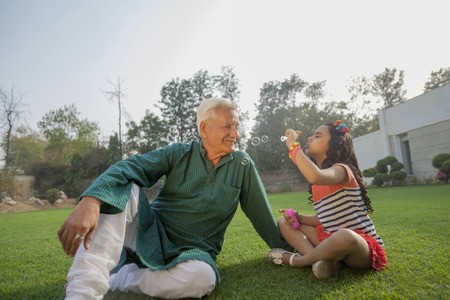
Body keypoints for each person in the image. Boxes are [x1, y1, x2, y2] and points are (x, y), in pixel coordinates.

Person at [58, 98, 288, 299]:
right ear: (205, 129)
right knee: (125, 189)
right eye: (228, 127)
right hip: (149, 233)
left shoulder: (243, 165)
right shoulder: (179, 153)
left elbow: (262, 217)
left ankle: (120, 279)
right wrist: (90, 200)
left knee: (202, 279)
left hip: (192, 251)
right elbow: (131, 166)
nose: (236, 135)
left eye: (236, 127)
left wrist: (293, 252)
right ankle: (82, 293)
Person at [267, 121, 386, 279]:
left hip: (360, 249)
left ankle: (299, 261)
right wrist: (298, 217)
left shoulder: (342, 170)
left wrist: (293, 146)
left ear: (335, 144)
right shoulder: (318, 182)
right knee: (284, 222)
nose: (309, 138)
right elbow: (325, 218)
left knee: (345, 235)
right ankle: (321, 261)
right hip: (331, 241)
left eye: (317, 136)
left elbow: (314, 175)